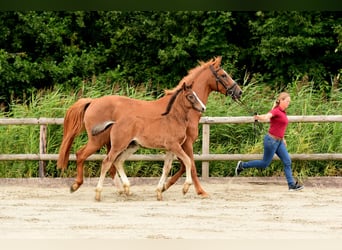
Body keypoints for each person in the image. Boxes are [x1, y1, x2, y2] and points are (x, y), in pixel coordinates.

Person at [235, 92, 304, 191]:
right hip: (271, 141)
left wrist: (283, 138)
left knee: (287, 161)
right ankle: (242, 165)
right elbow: (267, 116)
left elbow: (280, 126)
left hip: (279, 142)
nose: (288, 103)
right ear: (281, 100)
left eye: (289, 101)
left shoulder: (283, 112)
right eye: (287, 101)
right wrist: (259, 117)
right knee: (264, 163)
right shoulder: (276, 111)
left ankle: (291, 185)